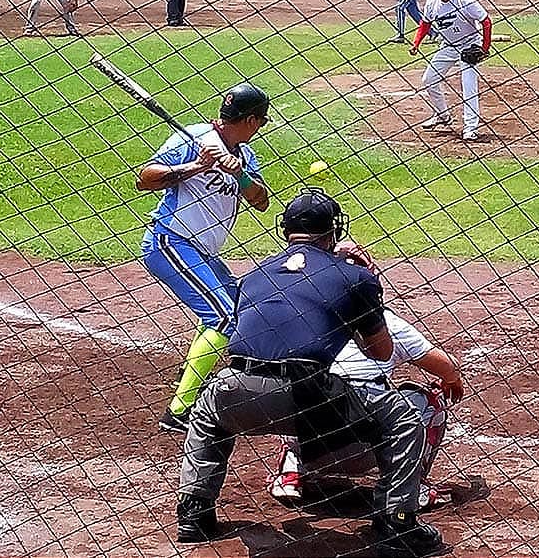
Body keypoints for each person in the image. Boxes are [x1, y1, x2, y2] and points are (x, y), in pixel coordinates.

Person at [176, 189, 445, 558]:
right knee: (402, 418)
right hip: (307, 395)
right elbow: (380, 351)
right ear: (333, 231)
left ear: (284, 229)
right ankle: (397, 522)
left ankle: (195, 513)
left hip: (236, 389)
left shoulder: (254, 276)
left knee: (206, 412)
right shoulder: (354, 278)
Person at [269, 240, 464, 511]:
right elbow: (448, 368)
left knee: (289, 382)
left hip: (309, 442)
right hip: (367, 449)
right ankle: (411, 487)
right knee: (430, 401)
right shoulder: (388, 323)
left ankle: (291, 471)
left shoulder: (297, 318)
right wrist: (451, 380)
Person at [137, 83, 271, 433]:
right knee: (225, 318)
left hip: (203, 251)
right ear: (251, 119)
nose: (260, 127)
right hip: (171, 242)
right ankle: (180, 410)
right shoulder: (192, 138)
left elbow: (261, 201)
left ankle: (192, 369)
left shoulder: (244, 153)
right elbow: (145, 178)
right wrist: (197, 166)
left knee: (237, 308)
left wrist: (237, 173)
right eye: (261, 121)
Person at [410, 0, 492, 142]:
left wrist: (484, 48)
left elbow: (486, 21)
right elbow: (425, 24)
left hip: (469, 44)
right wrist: (416, 43)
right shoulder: (432, 2)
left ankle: (470, 128)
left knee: (468, 84)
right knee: (428, 80)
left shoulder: (465, 0)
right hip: (448, 45)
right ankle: (442, 115)